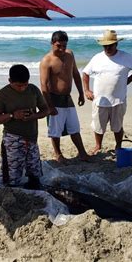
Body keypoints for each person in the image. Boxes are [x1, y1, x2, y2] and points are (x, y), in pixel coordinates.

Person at [82, 30, 132, 154]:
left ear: (116, 44)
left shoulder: (126, 57)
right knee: (98, 126)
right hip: (100, 100)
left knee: (117, 126)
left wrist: (128, 80)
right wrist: (86, 90)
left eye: (110, 45)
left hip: (118, 99)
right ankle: (98, 145)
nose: (107, 48)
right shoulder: (97, 58)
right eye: (105, 45)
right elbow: (85, 73)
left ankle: (118, 145)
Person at [0, 64, 49, 189]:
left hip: (32, 138)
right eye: (18, 85)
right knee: (12, 178)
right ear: (10, 81)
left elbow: (45, 110)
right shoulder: (2, 95)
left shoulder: (33, 90)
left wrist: (33, 116)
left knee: (34, 173)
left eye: (25, 84)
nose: (22, 88)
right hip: (13, 139)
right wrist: (13, 115)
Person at [39, 30, 90, 163]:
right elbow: (43, 85)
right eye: (58, 46)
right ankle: (58, 154)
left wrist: (81, 93)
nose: (62, 49)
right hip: (54, 98)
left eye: (64, 46)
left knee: (74, 127)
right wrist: (49, 106)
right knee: (55, 130)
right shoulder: (47, 61)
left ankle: (82, 153)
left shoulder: (69, 54)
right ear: (52, 43)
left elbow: (75, 74)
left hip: (68, 98)